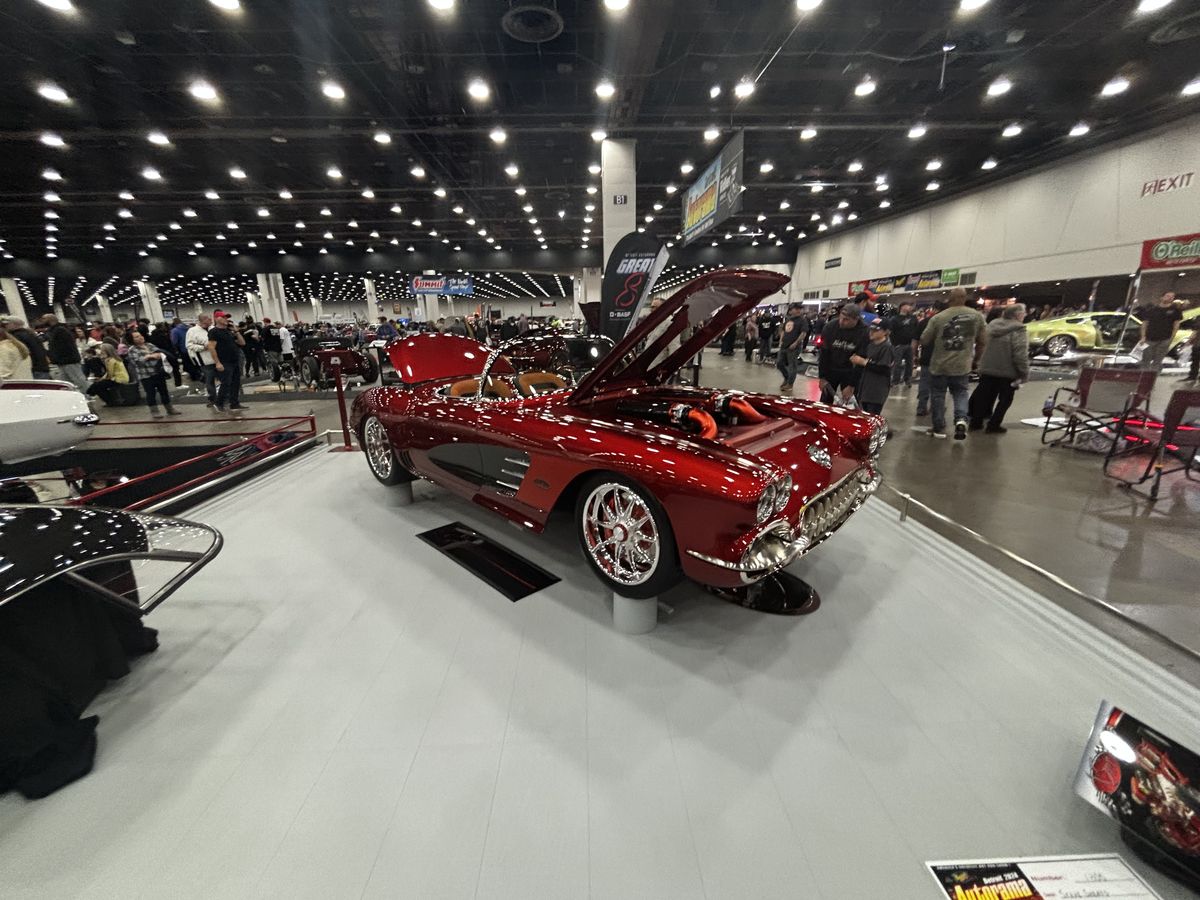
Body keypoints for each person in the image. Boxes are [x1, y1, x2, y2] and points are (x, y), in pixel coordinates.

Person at [921, 287, 988, 440]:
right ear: (965, 298)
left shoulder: (938, 317)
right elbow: (983, 342)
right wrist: (975, 360)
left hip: (939, 364)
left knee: (938, 395)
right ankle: (961, 420)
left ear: (949, 300)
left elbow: (925, 339)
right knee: (960, 393)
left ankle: (938, 427)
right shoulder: (977, 316)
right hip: (962, 364)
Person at [969, 304, 1029, 434]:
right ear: (1017, 315)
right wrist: (1024, 372)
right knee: (1005, 399)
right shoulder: (1019, 330)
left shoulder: (992, 325)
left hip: (987, 368)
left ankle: (975, 422)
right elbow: (1020, 353)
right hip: (1007, 371)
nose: (1025, 315)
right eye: (1024, 313)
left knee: (983, 397)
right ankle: (994, 424)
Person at [817, 303, 870, 406]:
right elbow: (824, 354)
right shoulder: (830, 327)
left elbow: (860, 361)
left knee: (849, 403)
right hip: (831, 368)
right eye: (841, 317)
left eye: (846, 320)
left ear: (856, 319)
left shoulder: (864, 332)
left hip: (850, 371)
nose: (842, 322)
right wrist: (822, 377)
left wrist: (852, 385)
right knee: (825, 401)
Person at [125, 331, 180, 418]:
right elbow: (137, 362)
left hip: (158, 372)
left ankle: (170, 408)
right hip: (145, 375)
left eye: (140, 335)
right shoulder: (132, 350)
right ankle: (154, 411)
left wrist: (150, 357)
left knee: (164, 391)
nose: (140, 337)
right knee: (151, 393)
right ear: (131, 340)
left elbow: (159, 355)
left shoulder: (149, 345)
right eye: (136, 337)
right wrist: (149, 356)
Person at [851, 320, 896, 414]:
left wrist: (863, 362)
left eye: (876, 330)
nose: (871, 332)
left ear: (885, 332)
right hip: (866, 388)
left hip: (877, 391)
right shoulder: (871, 345)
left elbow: (884, 369)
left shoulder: (886, 347)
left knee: (872, 416)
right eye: (870, 329)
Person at [207, 314, 248, 412]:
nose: (226, 319)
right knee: (226, 383)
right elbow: (211, 347)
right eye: (224, 317)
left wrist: (236, 331)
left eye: (227, 318)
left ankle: (234, 403)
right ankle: (219, 403)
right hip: (224, 362)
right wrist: (217, 363)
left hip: (234, 361)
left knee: (235, 383)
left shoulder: (228, 331)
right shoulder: (214, 332)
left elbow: (242, 343)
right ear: (217, 319)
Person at [39, 315, 89, 391]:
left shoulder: (60, 330)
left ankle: (89, 395)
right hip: (62, 361)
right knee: (65, 383)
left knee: (78, 380)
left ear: (51, 319)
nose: (41, 320)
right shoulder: (54, 330)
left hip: (69, 360)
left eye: (43, 318)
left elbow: (64, 346)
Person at [1139, 291, 1183, 373]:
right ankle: (1143, 377)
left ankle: (1152, 379)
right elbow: (1144, 323)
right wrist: (1143, 336)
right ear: (1161, 297)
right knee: (1146, 359)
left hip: (1165, 339)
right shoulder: (1151, 310)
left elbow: (1176, 325)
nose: (1170, 298)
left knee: (1158, 361)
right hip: (1149, 338)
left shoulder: (1176, 311)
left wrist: (1171, 338)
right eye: (1168, 296)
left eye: (1172, 296)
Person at [887, 302, 921, 387]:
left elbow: (917, 330)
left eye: (909, 306)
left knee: (910, 363)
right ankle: (895, 380)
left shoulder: (913, 318)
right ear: (902, 307)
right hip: (898, 345)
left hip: (910, 344)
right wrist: (894, 343)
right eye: (907, 305)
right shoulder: (895, 319)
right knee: (897, 364)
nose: (909, 307)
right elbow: (890, 332)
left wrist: (915, 342)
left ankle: (907, 379)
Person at [187, 313, 217, 404]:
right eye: (209, 319)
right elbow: (189, 345)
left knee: (223, 378)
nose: (211, 321)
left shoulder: (213, 329)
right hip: (205, 360)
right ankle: (213, 399)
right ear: (203, 320)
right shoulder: (192, 331)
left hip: (218, 358)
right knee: (209, 380)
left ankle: (224, 396)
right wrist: (203, 348)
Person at [776, 304, 807, 393]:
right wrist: (781, 340)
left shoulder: (802, 321)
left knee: (792, 366)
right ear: (790, 311)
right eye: (796, 309)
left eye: (800, 309)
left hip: (794, 347)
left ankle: (790, 384)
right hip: (784, 345)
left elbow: (803, 333)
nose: (798, 310)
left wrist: (796, 343)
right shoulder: (788, 320)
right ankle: (787, 378)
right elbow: (783, 330)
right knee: (779, 363)